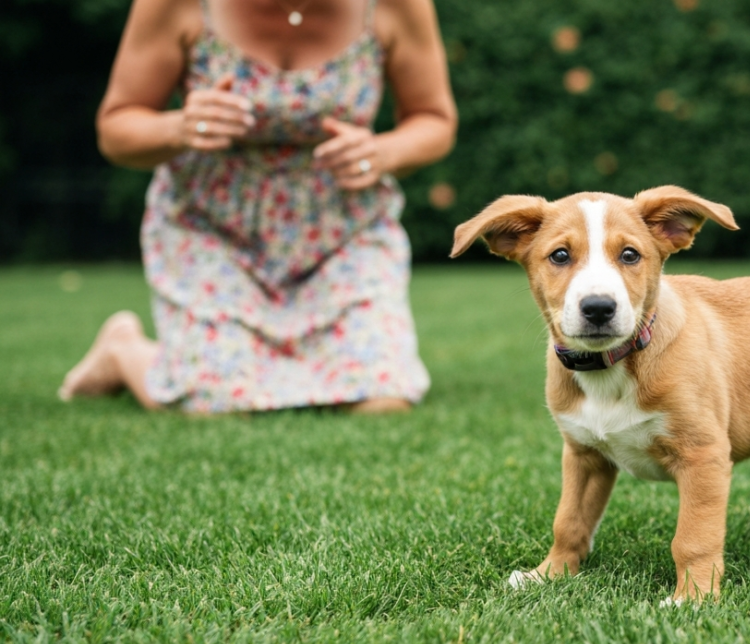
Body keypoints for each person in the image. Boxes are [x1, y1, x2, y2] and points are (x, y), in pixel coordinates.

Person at [59, 0, 457, 413]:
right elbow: (116, 127)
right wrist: (178, 126)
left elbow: (434, 119)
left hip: (343, 231)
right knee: (216, 402)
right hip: (211, 228)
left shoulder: (398, 6)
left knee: (383, 400)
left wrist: (383, 151)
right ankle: (125, 351)